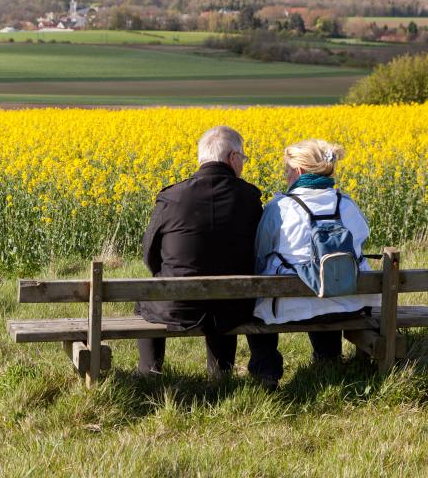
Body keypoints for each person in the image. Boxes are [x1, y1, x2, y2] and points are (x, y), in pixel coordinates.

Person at [136, 125, 277, 380]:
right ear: (232, 158)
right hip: (237, 305)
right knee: (225, 297)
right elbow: (260, 250)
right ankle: (221, 373)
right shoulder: (249, 198)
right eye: (242, 159)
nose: (242, 164)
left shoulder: (171, 197)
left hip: (179, 305)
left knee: (147, 297)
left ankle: (150, 373)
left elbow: (150, 254)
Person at [252, 139, 380, 384]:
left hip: (290, 309)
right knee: (327, 289)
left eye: (287, 171)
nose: (286, 176)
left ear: (299, 171)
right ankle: (328, 359)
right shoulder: (347, 204)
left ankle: (266, 374)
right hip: (347, 305)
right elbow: (361, 242)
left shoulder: (281, 207)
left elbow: (260, 254)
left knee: (266, 293)